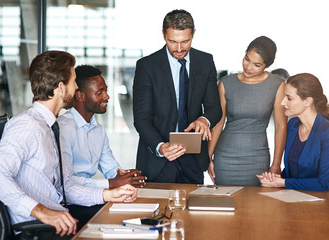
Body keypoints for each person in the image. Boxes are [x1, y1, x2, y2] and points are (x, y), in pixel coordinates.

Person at [0, 51, 137, 239]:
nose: (76, 88)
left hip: (59, 222)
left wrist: (108, 195)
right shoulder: (28, 125)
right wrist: (42, 211)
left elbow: (66, 186)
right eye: (73, 81)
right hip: (38, 229)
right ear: (61, 87)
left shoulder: (50, 126)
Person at [133, 9, 222, 184]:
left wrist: (204, 120)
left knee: (191, 210)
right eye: (172, 41)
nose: (179, 49)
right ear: (163, 35)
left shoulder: (205, 61)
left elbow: (215, 108)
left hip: (193, 160)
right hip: (158, 160)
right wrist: (161, 147)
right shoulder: (147, 66)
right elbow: (141, 118)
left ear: (193, 34)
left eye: (185, 41)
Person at [208, 36, 287, 186]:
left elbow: (281, 127)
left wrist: (276, 164)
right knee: (226, 203)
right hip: (225, 157)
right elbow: (218, 123)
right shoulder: (226, 83)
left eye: (256, 64)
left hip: (257, 157)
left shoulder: (277, 85)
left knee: (255, 206)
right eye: (246, 59)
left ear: (267, 65)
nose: (248, 67)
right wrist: (208, 157)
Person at [58, 65, 146, 189]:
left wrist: (129, 176)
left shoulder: (98, 130)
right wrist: (111, 183)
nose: (106, 97)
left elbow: (110, 168)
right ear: (80, 96)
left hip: (90, 196)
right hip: (70, 202)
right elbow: (66, 181)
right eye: (99, 93)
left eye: (106, 91)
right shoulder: (64, 128)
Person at [257, 73, 329, 191]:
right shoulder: (293, 125)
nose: (282, 102)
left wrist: (282, 182)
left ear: (307, 101)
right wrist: (274, 179)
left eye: (289, 98)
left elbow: (324, 183)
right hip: (297, 196)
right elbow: (294, 171)